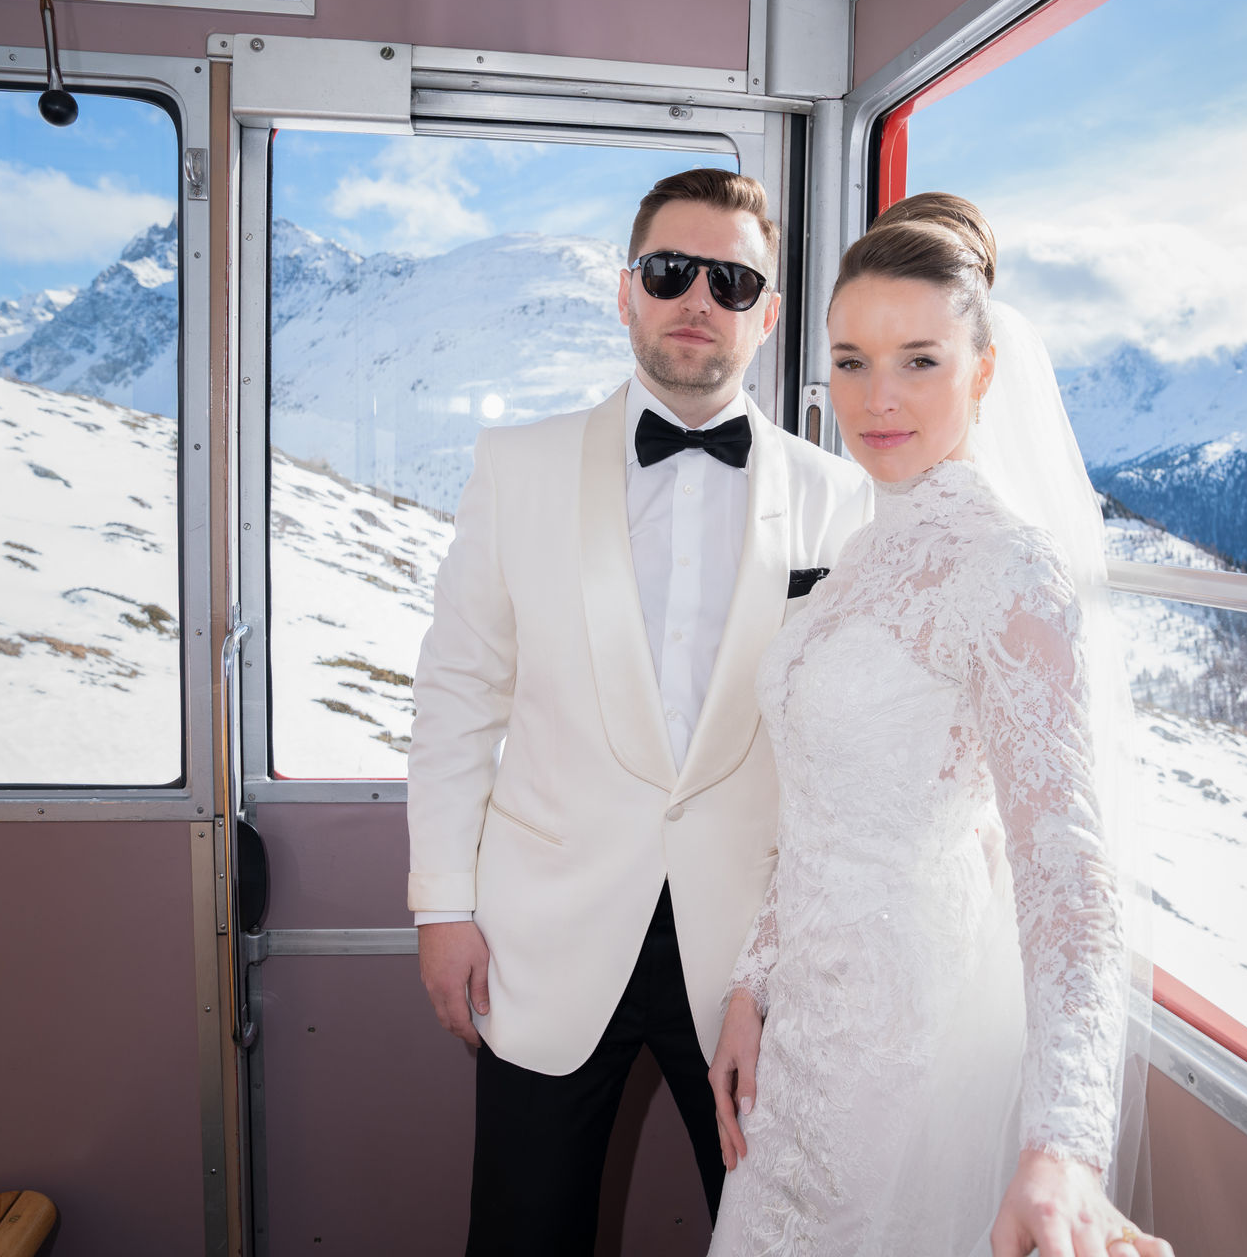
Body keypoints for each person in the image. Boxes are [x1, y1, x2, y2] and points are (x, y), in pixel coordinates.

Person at [407, 168, 872, 1256]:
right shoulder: (512, 467)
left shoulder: (843, 502)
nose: (696, 297)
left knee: (773, 1240)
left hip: (757, 965)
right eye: (671, 271)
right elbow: (459, 690)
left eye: (731, 278)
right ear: (626, 292)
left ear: (763, 313)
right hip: (542, 935)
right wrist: (442, 903)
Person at [704, 193, 1169, 1257]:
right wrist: (750, 983)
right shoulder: (868, 546)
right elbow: (819, 806)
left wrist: (1062, 1143)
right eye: (852, 361)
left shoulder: (1009, 572)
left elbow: (1068, 872)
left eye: (918, 359)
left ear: (984, 371)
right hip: (804, 1036)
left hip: (911, 1039)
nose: (877, 397)